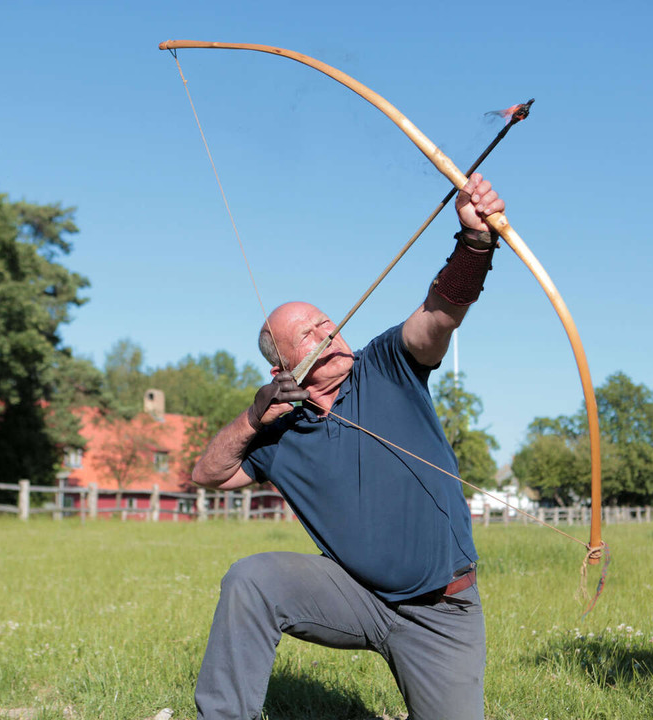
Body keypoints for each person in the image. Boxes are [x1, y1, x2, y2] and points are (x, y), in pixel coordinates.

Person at [190, 173, 507, 720]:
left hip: (441, 610)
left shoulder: (388, 365)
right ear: (283, 368)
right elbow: (208, 473)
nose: (329, 332)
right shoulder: (277, 431)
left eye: (326, 322)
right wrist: (252, 416)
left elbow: (438, 315)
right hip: (355, 596)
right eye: (309, 335)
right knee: (252, 580)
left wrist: (475, 243)